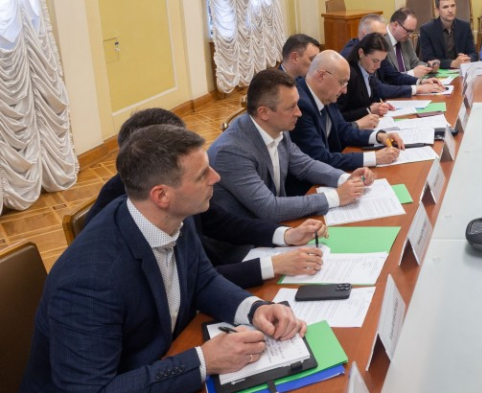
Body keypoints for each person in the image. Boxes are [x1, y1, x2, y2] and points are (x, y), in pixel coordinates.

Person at [20, 125, 307, 393]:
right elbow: (93, 390)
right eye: (202, 174)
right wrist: (204, 360)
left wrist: (255, 309)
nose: (216, 178)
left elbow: (202, 279)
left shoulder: (173, 215)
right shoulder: (89, 281)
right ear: (161, 195)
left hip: (159, 361)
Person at [86, 108, 327, 288]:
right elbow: (190, 281)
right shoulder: (115, 234)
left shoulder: (175, 189)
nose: (215, 177)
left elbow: (220, 222)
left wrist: (285, 234)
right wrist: (274, 265)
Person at [209, 69, 373, 222]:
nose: (299, 113)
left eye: (297, 104)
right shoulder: (231, 152)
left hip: (275, 224)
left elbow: (305, 165)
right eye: (291, 107)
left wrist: (345, 178)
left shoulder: (276, 127)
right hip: (246, 238)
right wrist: (336, 197)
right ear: (263, 112)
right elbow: (269, 208)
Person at [287, 50, 405, 195]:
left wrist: (379, 136)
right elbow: (321, 159)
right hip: (309, 188)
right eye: (342, 82)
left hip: (332, 176)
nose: (345, 90)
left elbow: (344, 130)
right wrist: (375, 157)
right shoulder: (300, 106)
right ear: (321, 76)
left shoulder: (326, 94)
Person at [337, 33, 442, 122]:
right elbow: (338, 117)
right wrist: (369, 110)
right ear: (361, 53)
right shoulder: (349, 76)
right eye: (375, 61)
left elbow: (380, 89)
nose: (378, 66)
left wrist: (378, 107)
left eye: (381, 61)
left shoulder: (367, 71)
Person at [419, 0, 478, 68]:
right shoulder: (427, 29)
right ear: (437, 10)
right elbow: (428, 58)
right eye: (445, 7)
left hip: (462, 69)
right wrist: (452, 63)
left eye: (453, 6)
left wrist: (467, 60)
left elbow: (473, 53)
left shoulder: (464, 26)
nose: (450, 10)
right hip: (439, 72)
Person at [382, 7, 435, 80]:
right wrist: (412, 73)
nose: (410, 35)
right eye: (408, 31)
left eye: (412, 31)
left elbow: (415, 63)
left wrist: (429, 66)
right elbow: (385, 77)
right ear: (395, 25)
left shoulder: (405, 40)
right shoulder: (381, 41)